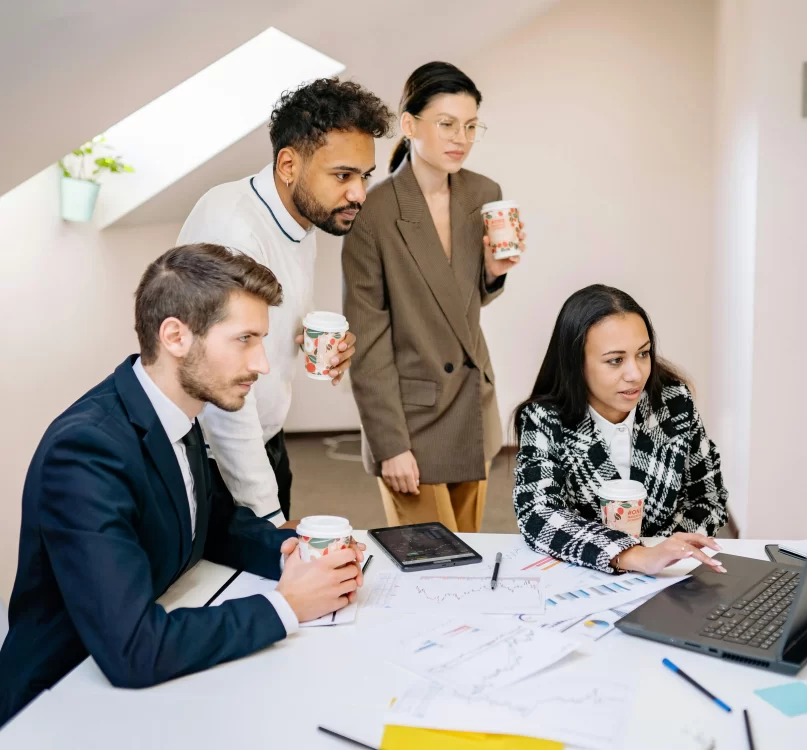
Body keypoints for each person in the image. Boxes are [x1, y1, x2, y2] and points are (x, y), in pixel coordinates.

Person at [0, 245, 365, 728]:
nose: (261, 363)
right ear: (175, 336)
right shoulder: (87, 452)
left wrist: (298, 555)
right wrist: (288, 605)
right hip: (58, 702)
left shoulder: (176, 409)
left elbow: (210, 520)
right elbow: (133, 648)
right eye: (245, 340)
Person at [177, 78, 394, 524]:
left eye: (364, 176)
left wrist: (314, 339)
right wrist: (268, 517)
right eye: (343, 176)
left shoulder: (301, 216)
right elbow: (221, 394)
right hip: (217, 458)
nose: (359, 194)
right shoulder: (233, 229)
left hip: (267, 440)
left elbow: (270, 314)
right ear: (289, 164)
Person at [343, 62, 524, 532]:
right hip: (411, 420)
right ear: (409, 125)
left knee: (469, 558)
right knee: (431, 567)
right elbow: (367, 338)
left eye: (469, 126)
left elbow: (456, 309)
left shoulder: (484, 193)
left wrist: (493, 271)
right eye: (445, 124)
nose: (459, 138)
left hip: (470, 405)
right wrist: (389, 443)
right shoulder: (373, 211)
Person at [513, 284, 729, 574]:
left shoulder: (673, 403)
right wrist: (632, 555)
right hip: (581, 575)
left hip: (669, 577)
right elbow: (537, 513)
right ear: (577, 364)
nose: (635, 374)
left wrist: (667, 549)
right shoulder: (545, 418)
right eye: (615, 360)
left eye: (643, 354)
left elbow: (709, 498)